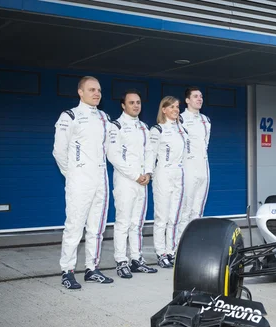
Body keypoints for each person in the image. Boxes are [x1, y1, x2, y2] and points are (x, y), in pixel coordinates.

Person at [53, 76, 115, 289]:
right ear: (80, 92)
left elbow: (109, 150)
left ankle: (92, 268)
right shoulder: (69, 116)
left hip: (101, 180)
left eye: (99, 90)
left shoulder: (105, 117)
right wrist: (72, 174)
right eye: (91, 89)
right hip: (80, 180)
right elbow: (59, 151)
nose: (97, 93)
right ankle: (67, 271)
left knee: (97, 227)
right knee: (74, 226)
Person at [108, 89, 158, 278]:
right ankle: (121, 261)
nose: (136, 105)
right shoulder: (116, 126)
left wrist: (148, 172)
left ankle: (137, 259)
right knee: (123, 223)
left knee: (137, 223)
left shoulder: (144, 127)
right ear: (123, 105)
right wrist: (135, 175)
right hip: (125, 181)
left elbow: (150, 152)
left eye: (138, 102)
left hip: (142, 182)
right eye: (131, 102)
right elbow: (113, 155)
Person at [150, 96, 187, 268]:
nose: (175, 109)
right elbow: (150, 154)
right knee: (162, 217)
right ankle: (160, 252)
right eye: (171, 107)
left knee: (175, 217)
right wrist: (148, 173)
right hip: (163, 174)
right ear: (163, 109)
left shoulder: (182, 130)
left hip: (178, 174)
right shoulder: (157, 130)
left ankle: (171, 251)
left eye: (177, 107)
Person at [179, 86, 211, 235]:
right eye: (196, 96)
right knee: (185, 209)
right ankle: (179, 244)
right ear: (187, 100)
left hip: (203, 167)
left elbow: (206, 144)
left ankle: (194, 242)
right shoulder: (180, 119)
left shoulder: (206, 120)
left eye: (201, 96)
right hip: (188, 167)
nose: (200, 99)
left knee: (198, 209)